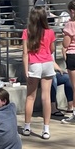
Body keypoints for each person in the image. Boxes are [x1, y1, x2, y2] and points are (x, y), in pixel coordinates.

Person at [21, 8, 56, 141]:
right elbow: (52, 49)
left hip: (34, 64)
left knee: (30, 97)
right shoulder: (50, 32)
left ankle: (27, 126)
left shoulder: (27, 32)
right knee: (46, 97)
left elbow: (25, 53)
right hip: (47, 63)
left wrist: (25, 70)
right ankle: (46, 129)